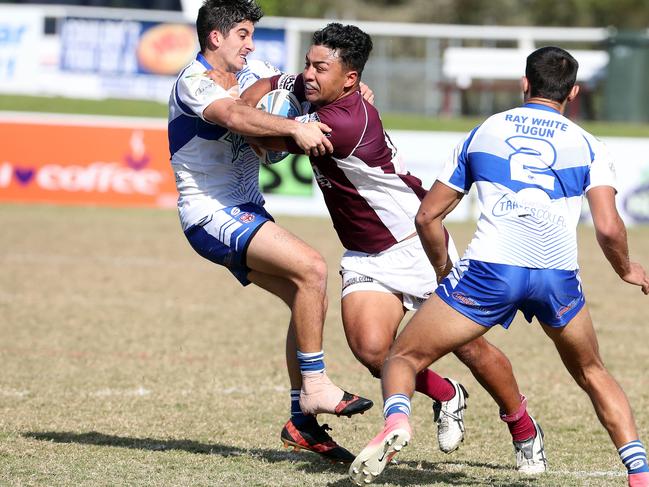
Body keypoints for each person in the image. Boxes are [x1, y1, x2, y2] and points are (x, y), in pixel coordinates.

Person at [241, 22, 545, 472]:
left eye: (319, 67)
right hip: (366, 255)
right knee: (371, 352)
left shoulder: (343, 122)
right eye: (307, 63)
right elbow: (276, 101)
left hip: (415, 244)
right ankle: (447, 393)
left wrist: (252, 95)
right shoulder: (323, 96)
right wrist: (281, 81)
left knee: (471, 348)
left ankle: (523, 428)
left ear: (350, 79)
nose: (308, 73)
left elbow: (258, 133)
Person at [350, 45, 649, 487]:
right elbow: (608, 227)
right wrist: (626, 269)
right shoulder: (589, 145)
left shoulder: (483, 131)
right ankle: (640, 473)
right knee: (592, 372)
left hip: (490, 271)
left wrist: (442, 274)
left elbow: (427, 216)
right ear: (574, 93)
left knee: (403, 357)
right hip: (556, 277)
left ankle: (397, 420)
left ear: (524, 84)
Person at [167, 0, 374, 465]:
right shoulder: (192, 83)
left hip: (245, 209)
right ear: (216, 37)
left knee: (307, 292)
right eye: (242, 34)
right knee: (313, 267)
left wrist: (351, 91)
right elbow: (237, 118)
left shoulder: (253, 69)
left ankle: (300, 425)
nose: (250, 44)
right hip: (209, 213)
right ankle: (316, 387)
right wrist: (294, 129)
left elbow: (304, 83)